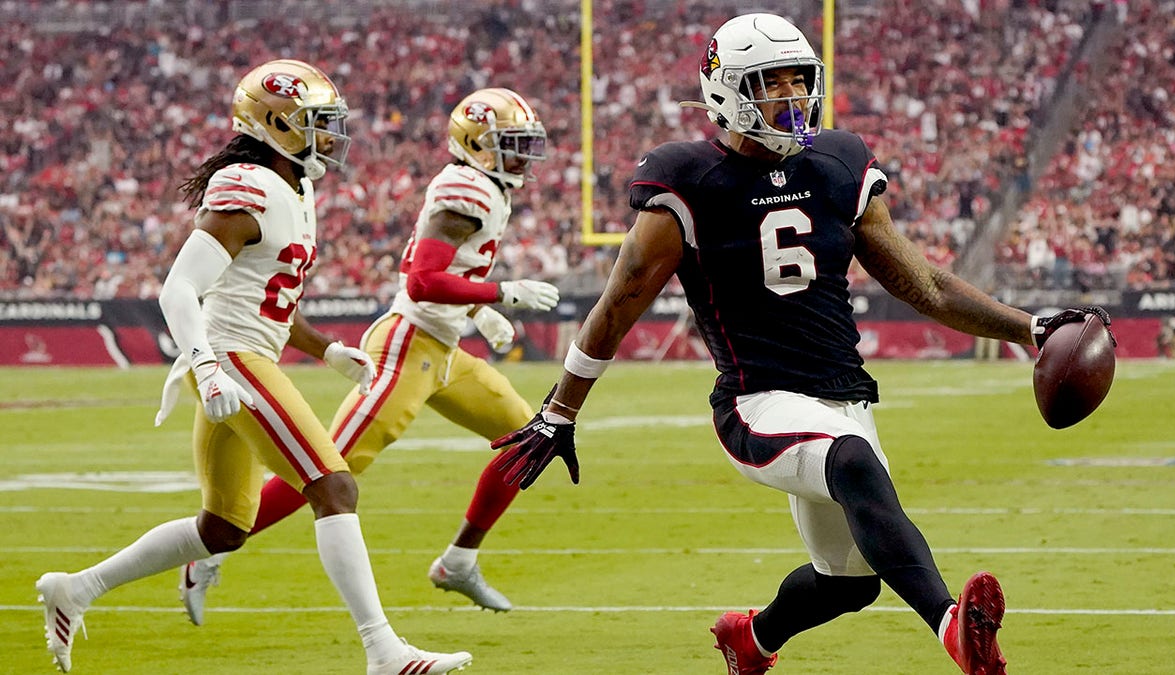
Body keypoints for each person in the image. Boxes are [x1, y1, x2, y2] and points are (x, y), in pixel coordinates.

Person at [490, 14, 1114, 675]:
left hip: (844, 398)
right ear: (725, 90)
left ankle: (750, 640)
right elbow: (618, 305)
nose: (790, 98)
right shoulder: (687, 181)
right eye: (770, 84)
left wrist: (1028, 326)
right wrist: (561, 409)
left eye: (799, 81)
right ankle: (955, 631)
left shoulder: (837, 165)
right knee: (850, 464)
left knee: (851, 580)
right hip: (757, 402)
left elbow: (925, 283)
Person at [35, 59, 471, 675]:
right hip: (230, 359)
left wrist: (326, 350)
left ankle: (75, 588)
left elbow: (264, 295)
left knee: (223, 528)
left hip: (241, 353)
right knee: (333, 486)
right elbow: (178, 291)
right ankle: (384, 651)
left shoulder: (295, 186)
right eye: (317, 123)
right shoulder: (249, 184)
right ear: (277, 125)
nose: (331, 135)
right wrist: (208, 367)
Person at [178, 87, 558, 620]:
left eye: (526, 144)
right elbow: (423, 281)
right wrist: (500, 294)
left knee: (528, 441)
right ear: (476, 145)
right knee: (328, 472)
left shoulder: (487, 188)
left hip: (445, 350)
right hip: (407, 346)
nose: (524, 156)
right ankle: (209, 551)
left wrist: (476, 312)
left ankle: (459, 561)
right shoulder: (465, 189)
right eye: (512, 144)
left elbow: (450, 270)